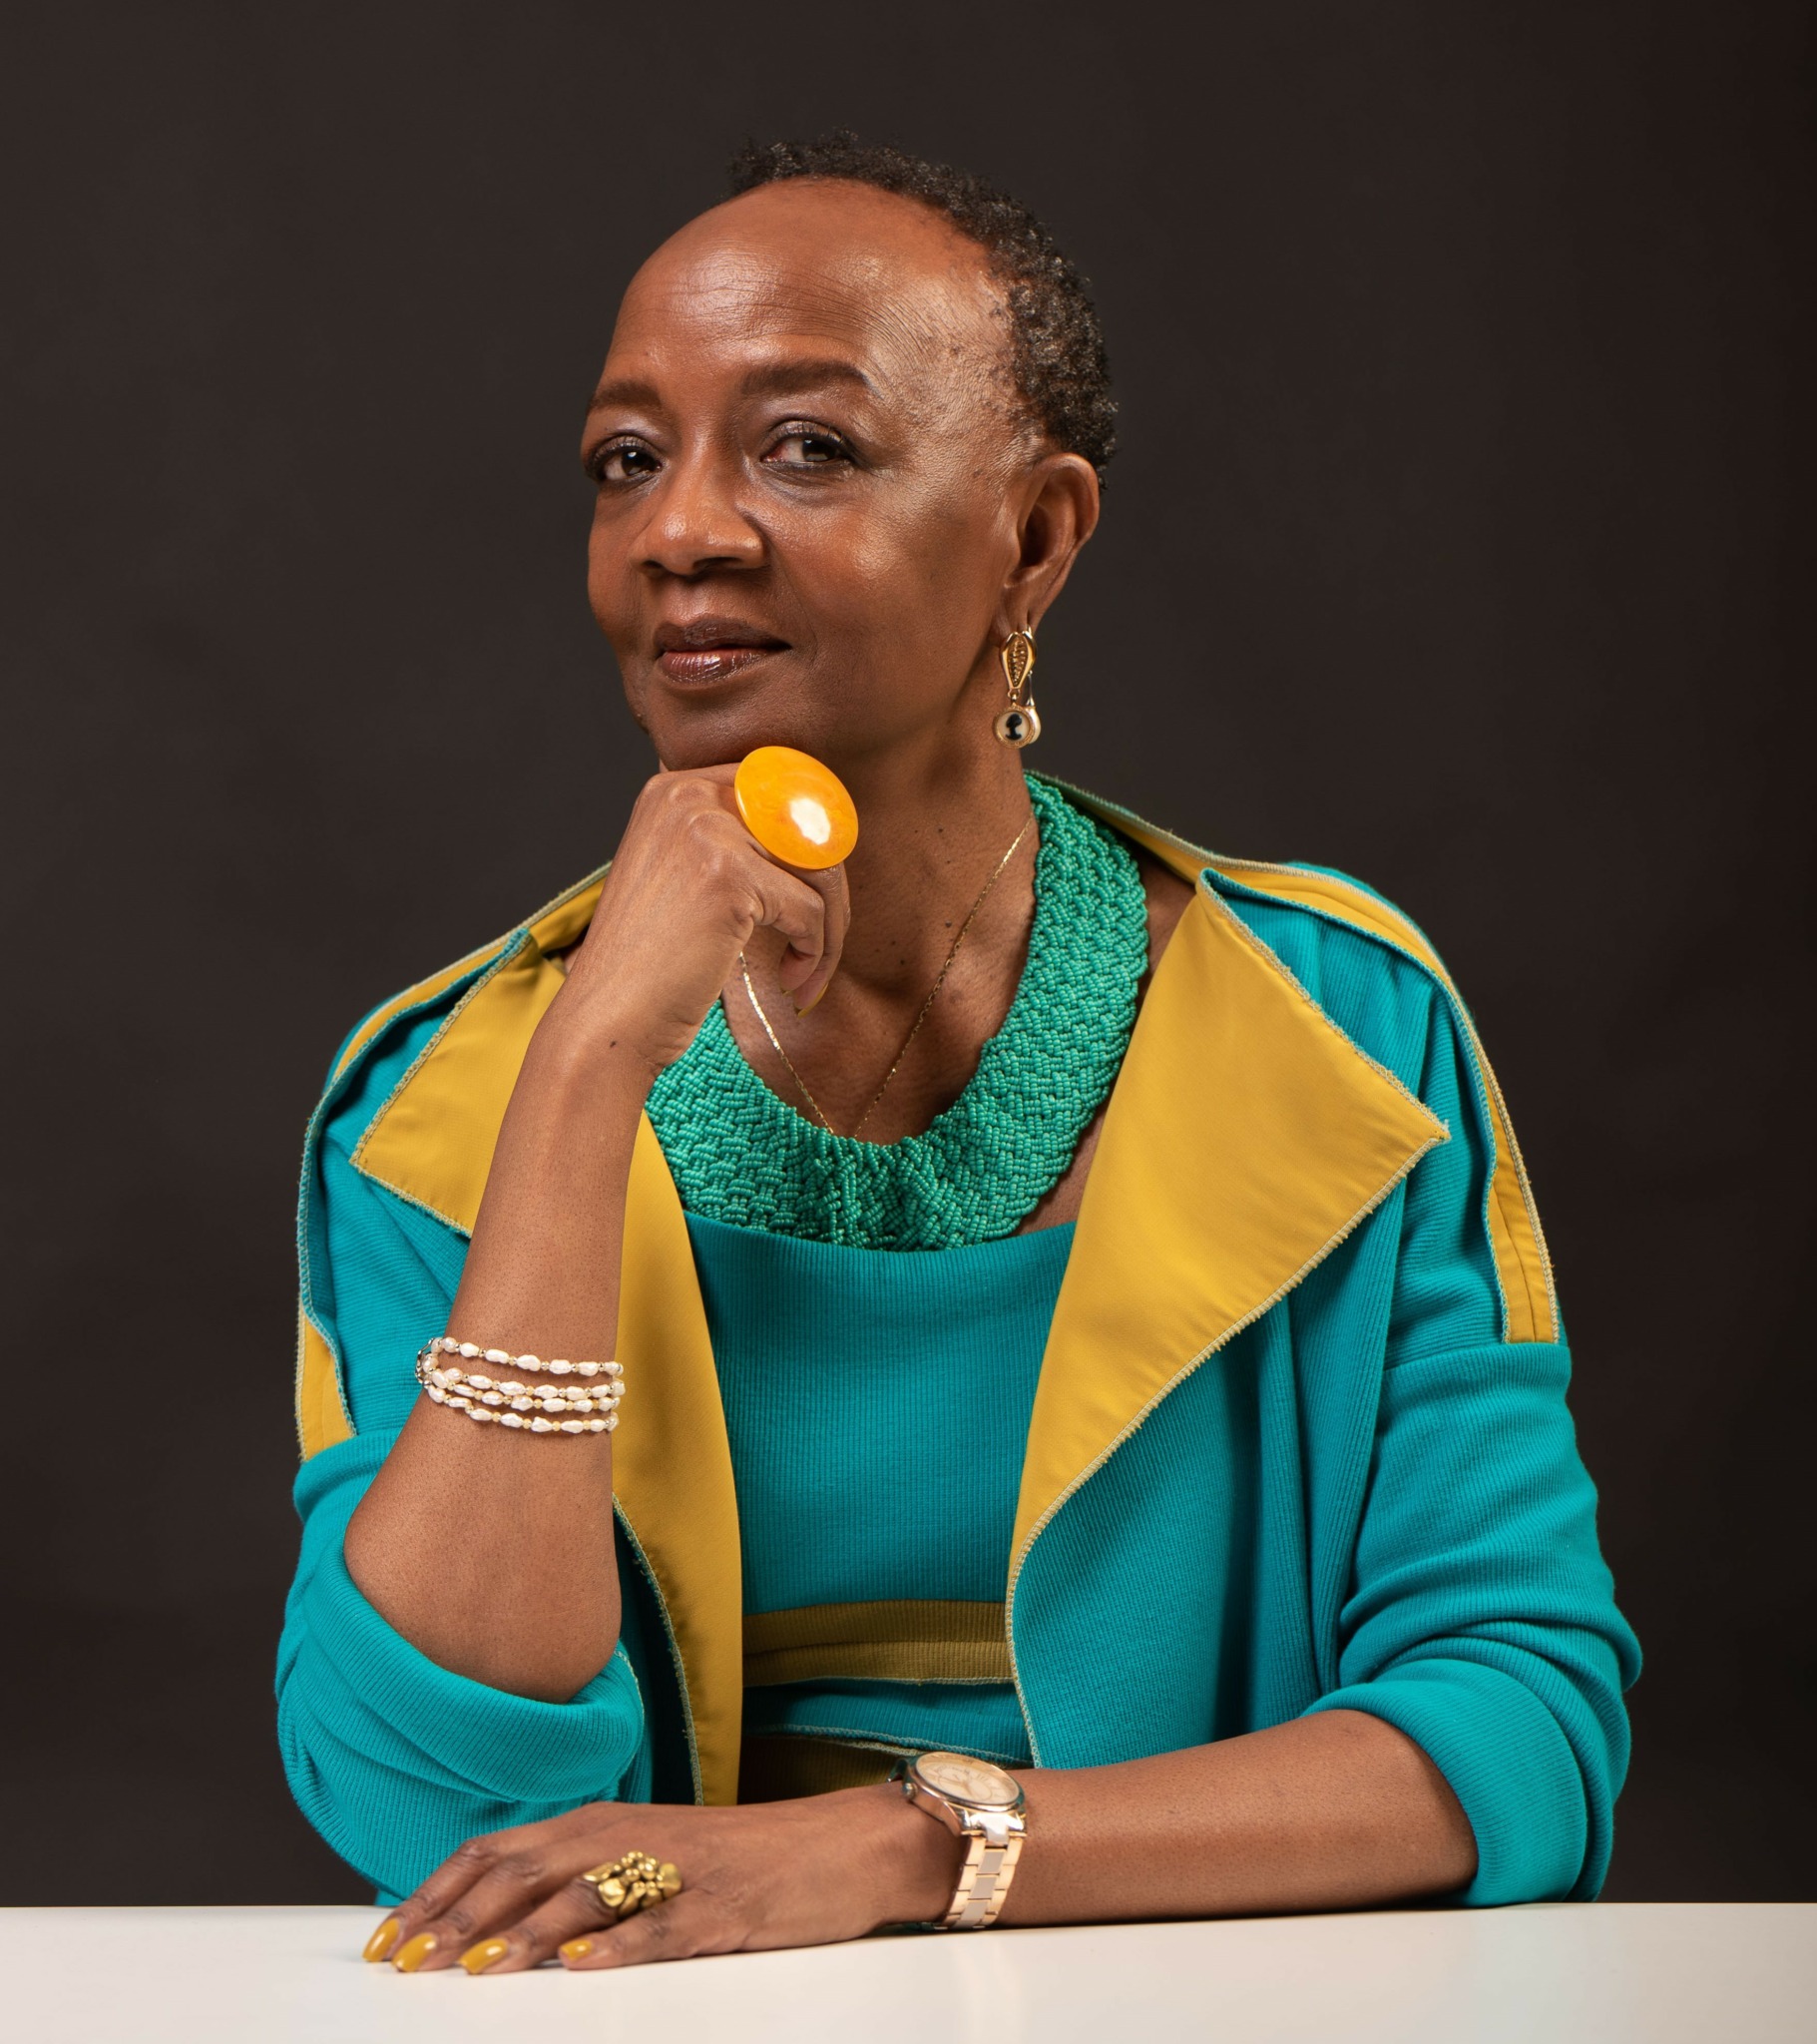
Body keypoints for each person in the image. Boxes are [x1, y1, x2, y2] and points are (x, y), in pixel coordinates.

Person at [277, 134, 1638, 1977]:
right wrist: (586, 1069)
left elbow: (1520, 1732)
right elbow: (430, 1811)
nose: (680, 530)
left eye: (805, 447)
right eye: (626, 460)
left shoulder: (1337, 1026)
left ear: (1036, 537)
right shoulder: (438, 1099)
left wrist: (901, 1851)